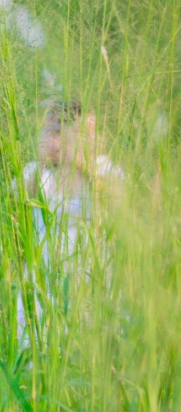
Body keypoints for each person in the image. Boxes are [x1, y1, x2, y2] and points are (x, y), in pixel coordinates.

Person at [18, 100, 122, 344]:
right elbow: (14, 197)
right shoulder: (38, 173)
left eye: (92, 133)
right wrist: (49, 158)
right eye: (50, 131)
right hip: (44, 274)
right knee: (40, 346)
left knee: (90, 345)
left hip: (91, 272)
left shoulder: (104, 170)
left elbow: (119, 204)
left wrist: (81, 162)